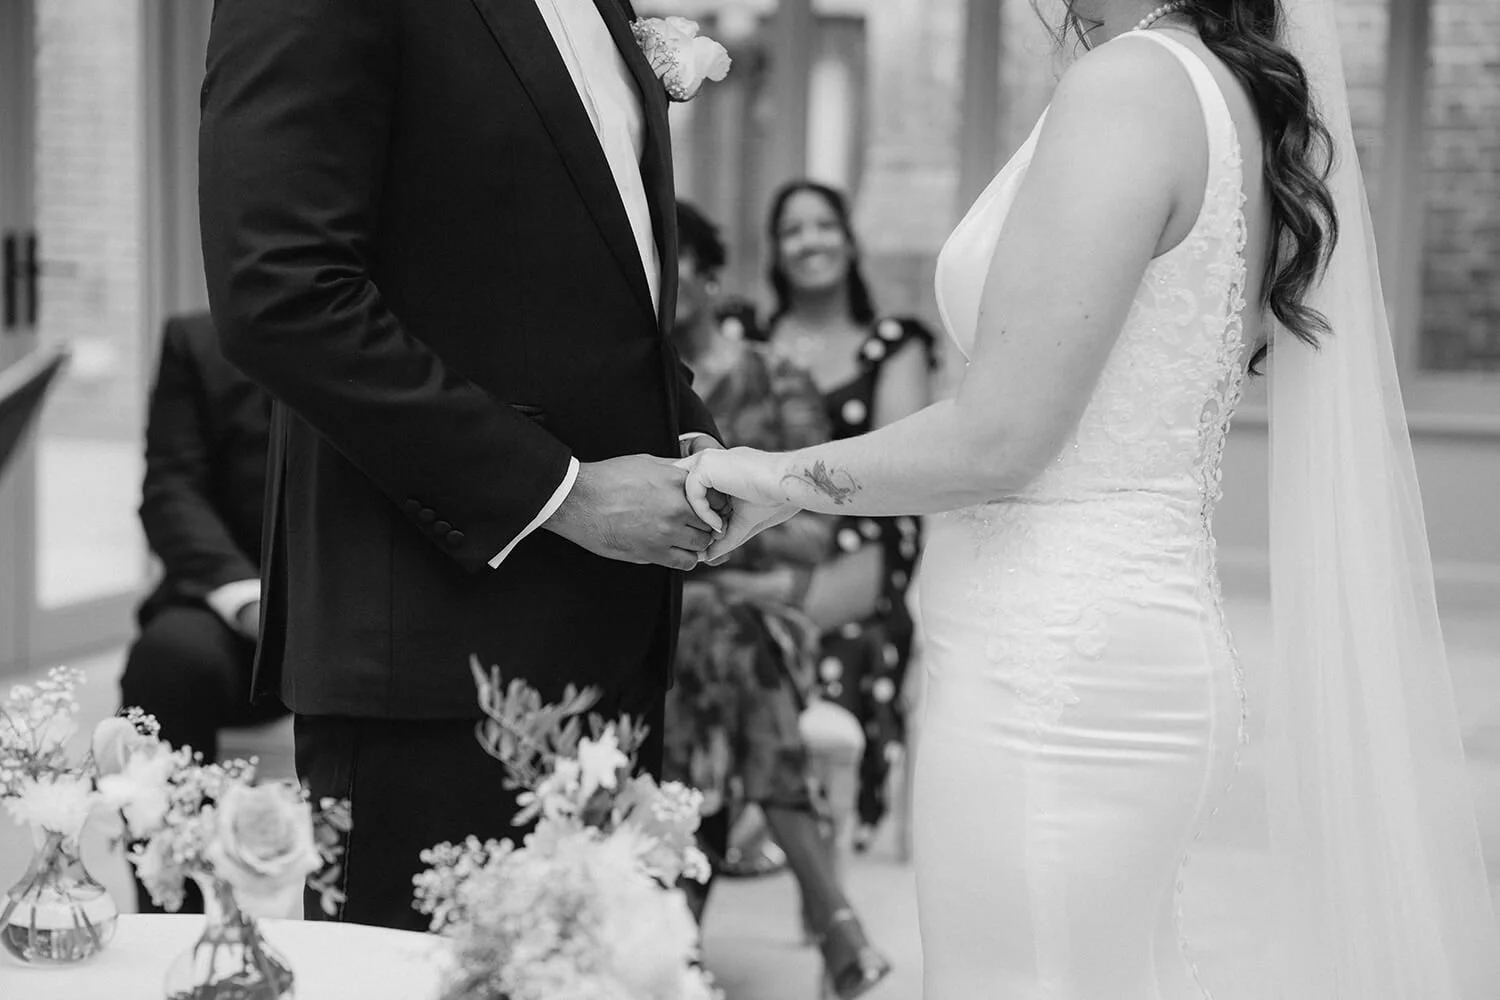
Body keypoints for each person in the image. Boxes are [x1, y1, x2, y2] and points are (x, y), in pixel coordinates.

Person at [681, 1, 1500, 997]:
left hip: (1055, 675)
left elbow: (1001, 437)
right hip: (1109, 639)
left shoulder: (1132, 87)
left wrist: (775, 476)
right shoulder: (1211, 86)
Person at [198, 0, 729, 930]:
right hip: (432, 646)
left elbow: (586, 276)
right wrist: (562, 492)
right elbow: (278, 290)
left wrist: (691, 436)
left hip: (613, 637)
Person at [664, 201, 891, 999]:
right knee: (712, 630)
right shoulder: (645, 385)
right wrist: (742, 534)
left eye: (676, 255)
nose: (659, 272)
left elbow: (813, 533)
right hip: (695, 621)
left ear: (714, 277)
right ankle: (833, 918)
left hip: (765, 624)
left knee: (717, 627)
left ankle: (680, 922)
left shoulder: (778, 379)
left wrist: (701, 539)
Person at [763, 181, 935, 855]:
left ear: (849, 239)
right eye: (792, 230)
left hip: (858, 556)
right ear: (775, 252)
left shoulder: (894, 344)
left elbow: (889, 469)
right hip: (768, 545)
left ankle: (786, 814)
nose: (811, 241)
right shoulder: (746, 337)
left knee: (835, 640)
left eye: (824, 225)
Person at [122, 311, 288, 915]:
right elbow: (171, 490)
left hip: (369, 609)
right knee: (164, 664)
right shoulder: (197, 341)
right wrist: (249, 601)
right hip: (236, 606)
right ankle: (171, 914)